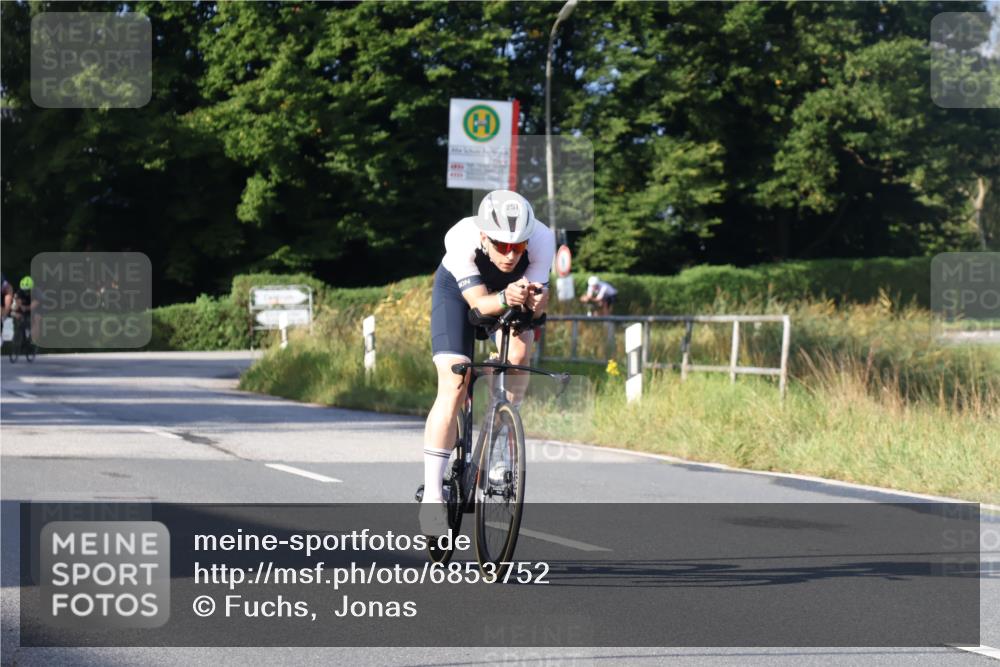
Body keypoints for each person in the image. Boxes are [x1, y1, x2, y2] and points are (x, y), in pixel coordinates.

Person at [421, 190, 555, 535]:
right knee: (454, 384)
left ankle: (499, 436)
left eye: (518, 247)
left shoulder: (542, 238)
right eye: (501, 245)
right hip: (459, 294)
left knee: (520, 356)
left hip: (509, 294)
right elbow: (478, 307)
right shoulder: (461, 236)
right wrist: (505, 297)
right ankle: (433, 497)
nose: (511, 254)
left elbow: (538, 305)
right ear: (484, 236)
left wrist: (536, 301)